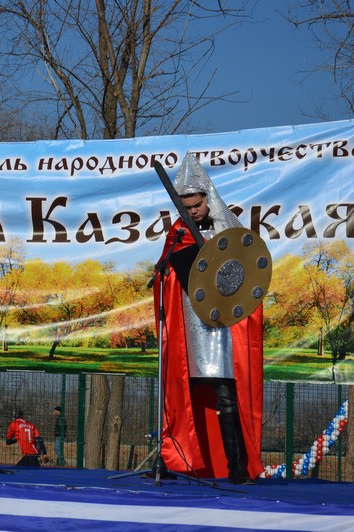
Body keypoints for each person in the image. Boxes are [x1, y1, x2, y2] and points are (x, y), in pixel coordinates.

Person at [154, 153, 264, 485]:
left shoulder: (229, 229)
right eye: (187, 207)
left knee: (227, 395)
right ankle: (179, 459)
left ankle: (237, 467)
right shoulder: (178, 233)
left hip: (223, 329)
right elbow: (169, 277)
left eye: (197, 204)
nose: (193, 211)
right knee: (183, 391)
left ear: (208, 198)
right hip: (191, 328)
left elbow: (246, 272)